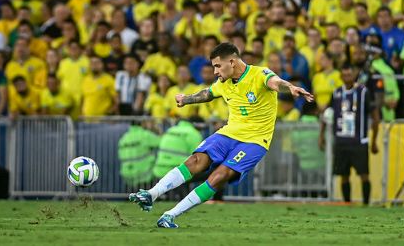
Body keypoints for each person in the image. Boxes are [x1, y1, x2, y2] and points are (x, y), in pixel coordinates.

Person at [130, 43, 313, 228]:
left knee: (220, 175)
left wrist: (289, 87)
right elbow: (208, 94)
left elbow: (275, 83)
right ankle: (151, 194)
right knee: (195, 160)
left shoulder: (260, 74)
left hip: (255, 141)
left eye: (218, 66)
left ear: (232, 62)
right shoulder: (224, 83)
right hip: (228, 133)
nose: (215, 71)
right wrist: (186, 99)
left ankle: (170, 215)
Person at [319, 63, 379, 205]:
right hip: (341, 141)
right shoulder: (336, 93)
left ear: (354, 75)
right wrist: (321, 135)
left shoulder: (364, 92)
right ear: (340, 76)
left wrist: (374, 140)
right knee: (343, 175)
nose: (347, 77)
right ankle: (347, 203)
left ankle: (365, 203)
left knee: (364, 174)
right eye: (344, 75)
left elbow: (375, 116)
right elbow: (326, 114)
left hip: (359, 141)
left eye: (349, 74)